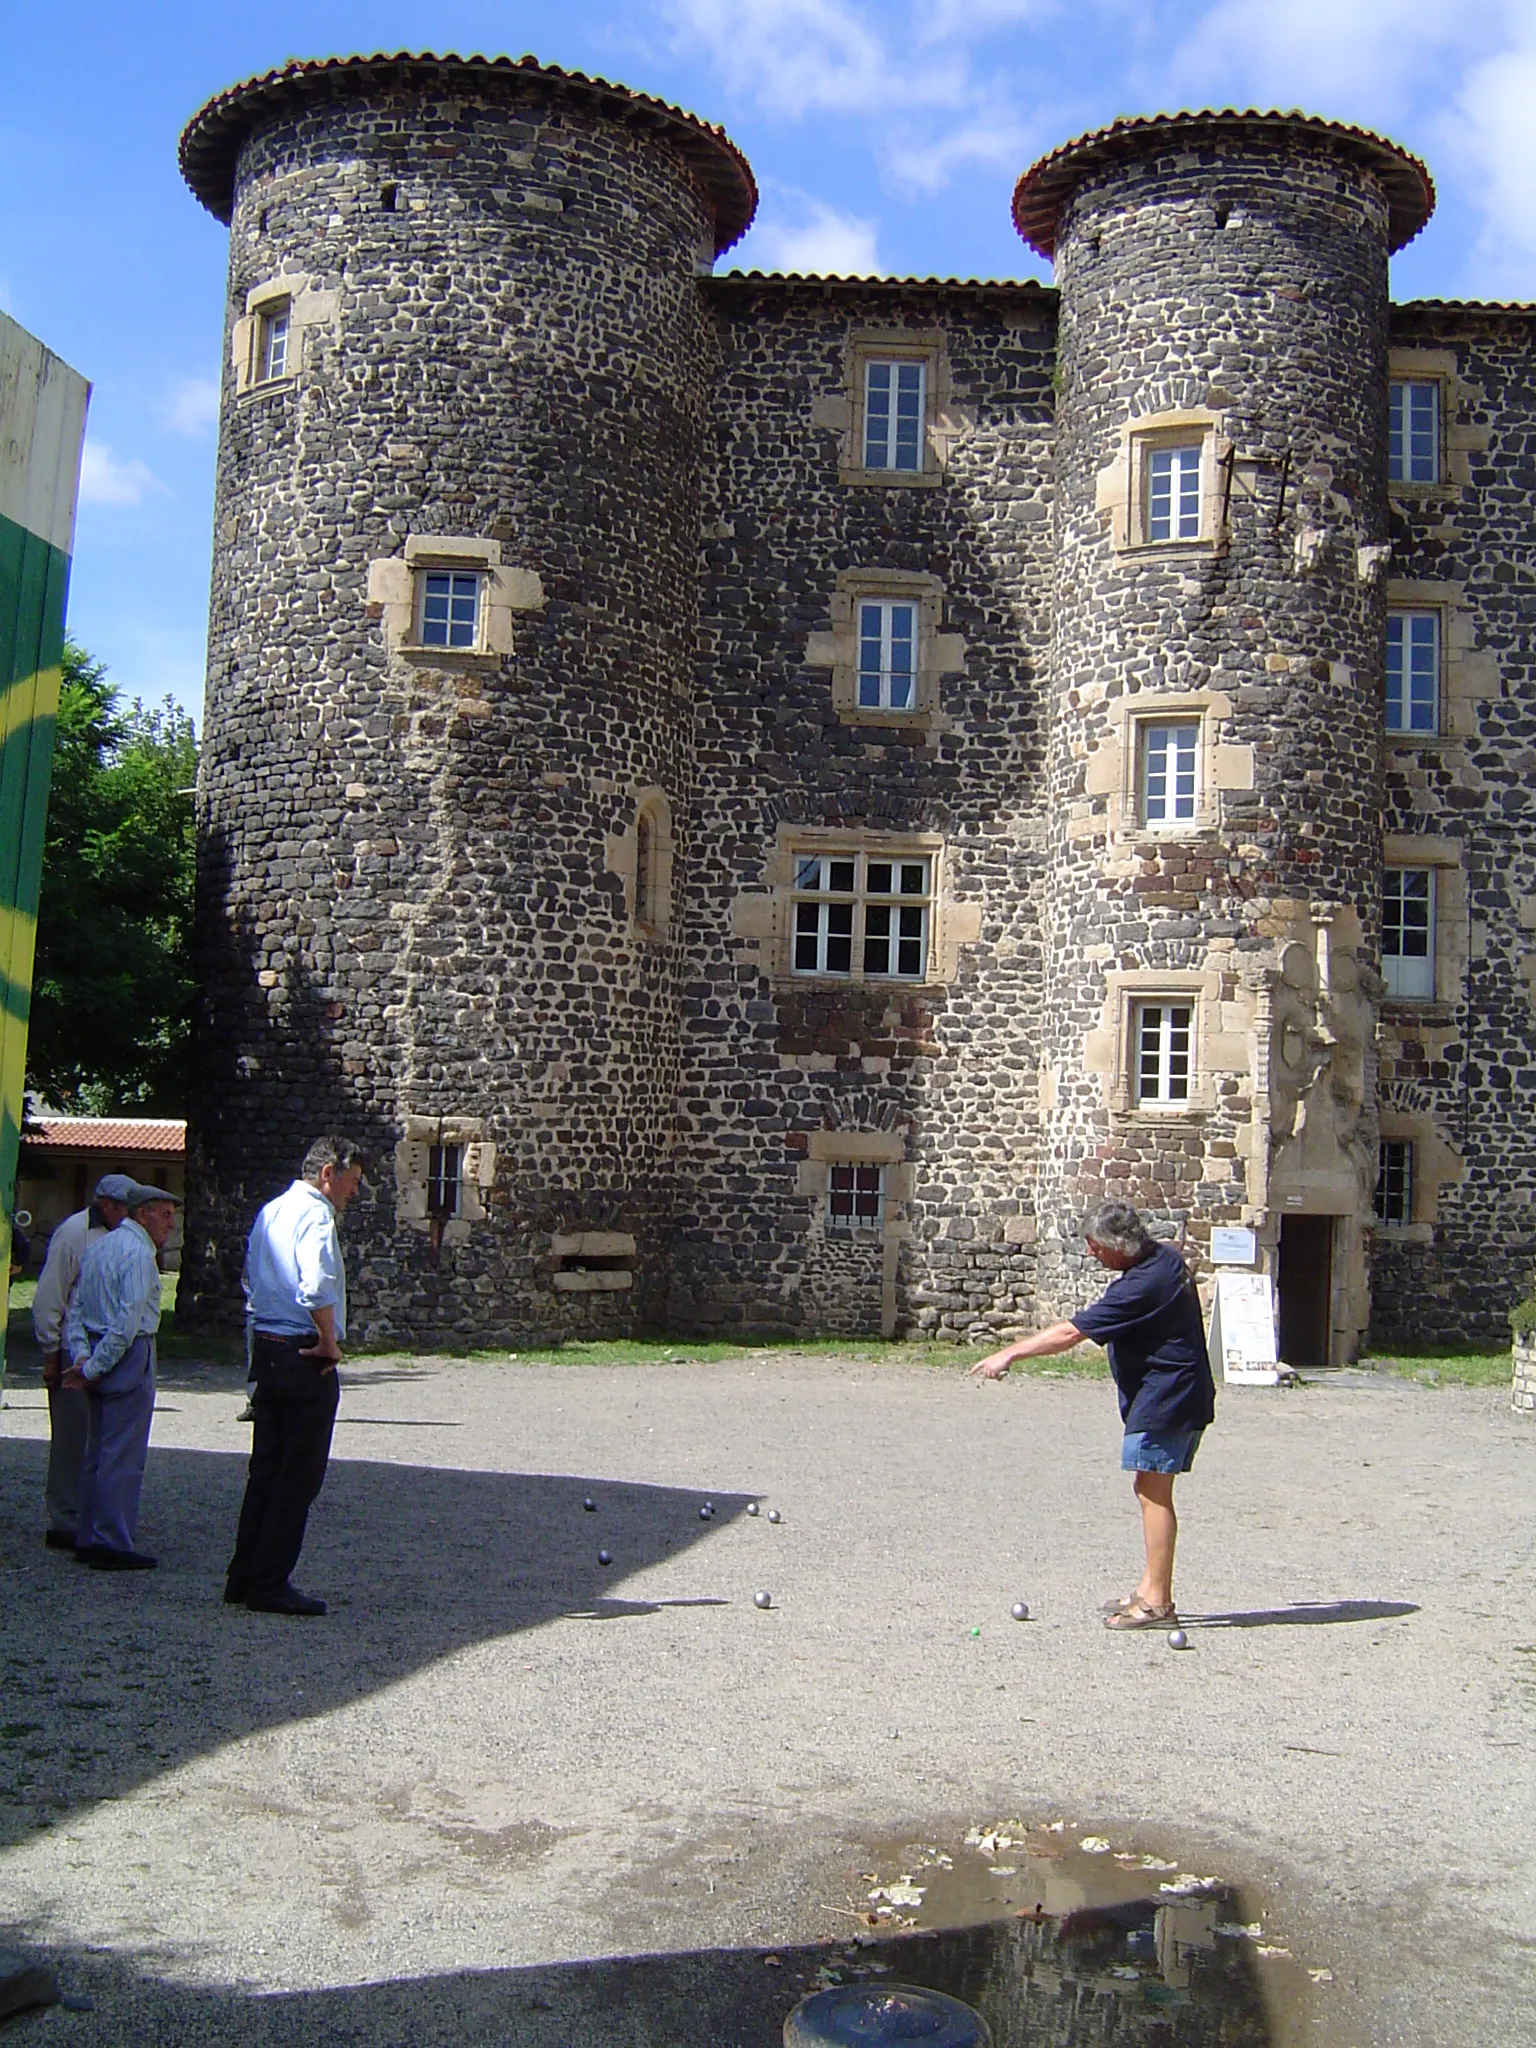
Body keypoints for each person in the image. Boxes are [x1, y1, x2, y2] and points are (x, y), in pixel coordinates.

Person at [969, 1198, 1215, 1630]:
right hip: (1170, 1394)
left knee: (1153, 1492)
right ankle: (1148, 1587)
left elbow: (1071, 1333)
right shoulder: (1163, 1259)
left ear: (1120, 1245)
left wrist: (1009, 1353)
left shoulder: (1141, 1285)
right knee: (1147, 1485)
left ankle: (1157, 1602)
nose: (1090, 1253)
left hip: (1169, 1398)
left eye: (1095, 1245)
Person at [225, 1136, 365, 1617]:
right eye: (351, 1182)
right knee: (298, 1474)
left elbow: (251, 1279)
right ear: (329, 1173)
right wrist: (328, 1340)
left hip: (267, 1343)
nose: (353, 1193)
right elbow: (316, 1282)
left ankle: (244, 1574)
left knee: (265, 1468)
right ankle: (270, 1580)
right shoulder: (316, 1216)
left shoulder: (272, 1211)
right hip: (301, 1349)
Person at [61, 1182, 181, 1571]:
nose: (171, 1224)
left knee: (97, 1450)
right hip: (127, 1355)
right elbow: (128, 1323)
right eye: (165, 1215)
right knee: (123, 1454)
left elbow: (76, 1309)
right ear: (142, 1213)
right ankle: (112, 1540)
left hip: (97, 1347)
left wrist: (82, 1355)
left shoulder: (98, 1249)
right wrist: (93, 1369)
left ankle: (88, 1534)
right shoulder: (138, 1256)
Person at [32, 1174, 135, 1551]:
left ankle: (90, 1513)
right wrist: (50, 1353)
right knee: (71, 1437)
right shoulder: (73, 1233)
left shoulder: (120, 1235)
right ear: (108, 1205)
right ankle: (65, 1517)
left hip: (104, 1345)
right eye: (125, 1207)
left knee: (99, 1435)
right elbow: (51, 1295)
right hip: (72, 1346)